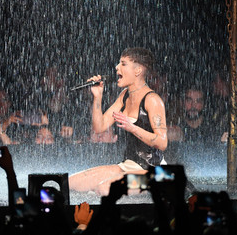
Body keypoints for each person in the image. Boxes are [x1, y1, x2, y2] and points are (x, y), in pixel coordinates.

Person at [68, 47, 167, 196]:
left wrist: (132, 128)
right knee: (70, 183)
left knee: (104, 189)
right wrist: (98, 96)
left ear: (138, 70)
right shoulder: (124, 96)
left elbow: (162, 142)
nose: (117, 67)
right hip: (128, 165)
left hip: (153, 173)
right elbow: (99, 127)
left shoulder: (153, 100)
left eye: (123, 64)